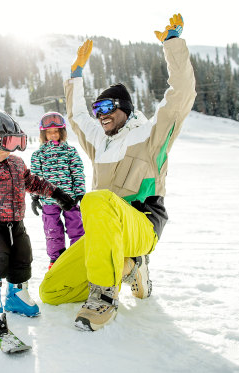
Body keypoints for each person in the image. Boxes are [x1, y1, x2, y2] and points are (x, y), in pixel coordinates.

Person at [39, 13, 196, 331]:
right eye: (98, 110)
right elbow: (76, 114)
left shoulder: (151, 135)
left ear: (126, 108)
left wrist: (172, 44)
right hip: (105, 232)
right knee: (51, 290)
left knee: (96, 200)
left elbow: (181, 94)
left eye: (107, 107)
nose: (100, 115)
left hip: (142, 225)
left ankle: (104, 298)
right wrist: (75, 74)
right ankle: (128, 266)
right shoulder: (100, 142)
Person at [0, 110, 75, 329]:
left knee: (23, 256)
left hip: (15, 223)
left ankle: (16, 296)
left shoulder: (16, 163)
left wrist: (57, 194)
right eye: (4, 145)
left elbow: (33, 182)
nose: (9, 151)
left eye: (15, 144)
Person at [30, 112, 86, 269]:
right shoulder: (38, 155)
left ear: (62, 132)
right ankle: (56, 260)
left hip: (70, 199)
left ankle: (78, 255)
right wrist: (35, 197)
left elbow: (77, 172)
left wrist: (80, 193)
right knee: (52, 231)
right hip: (49, 200)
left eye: (56, 131)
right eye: (49, 132)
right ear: (44, 134)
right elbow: (35, 178)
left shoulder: (70, 152)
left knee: (76, 227)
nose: (53, 135)